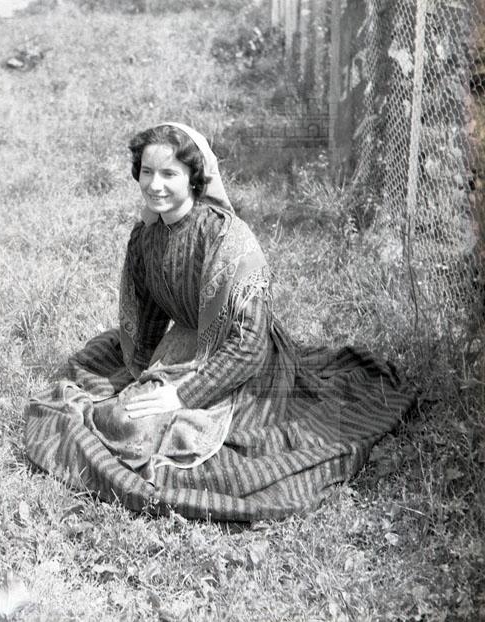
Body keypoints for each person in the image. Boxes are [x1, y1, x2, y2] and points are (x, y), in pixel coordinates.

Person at [25, 122, 413, 521]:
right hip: (185, 345)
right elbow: (150, 310)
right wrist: (141, 373)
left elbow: (250, 344)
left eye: (169, 173)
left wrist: (183, 394)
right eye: (147, 172)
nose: (155, 185)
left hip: (245, 367)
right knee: (107, 385)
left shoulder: (229, 240)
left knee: (130, 427)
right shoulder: (146, 235)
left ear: (194, 178)